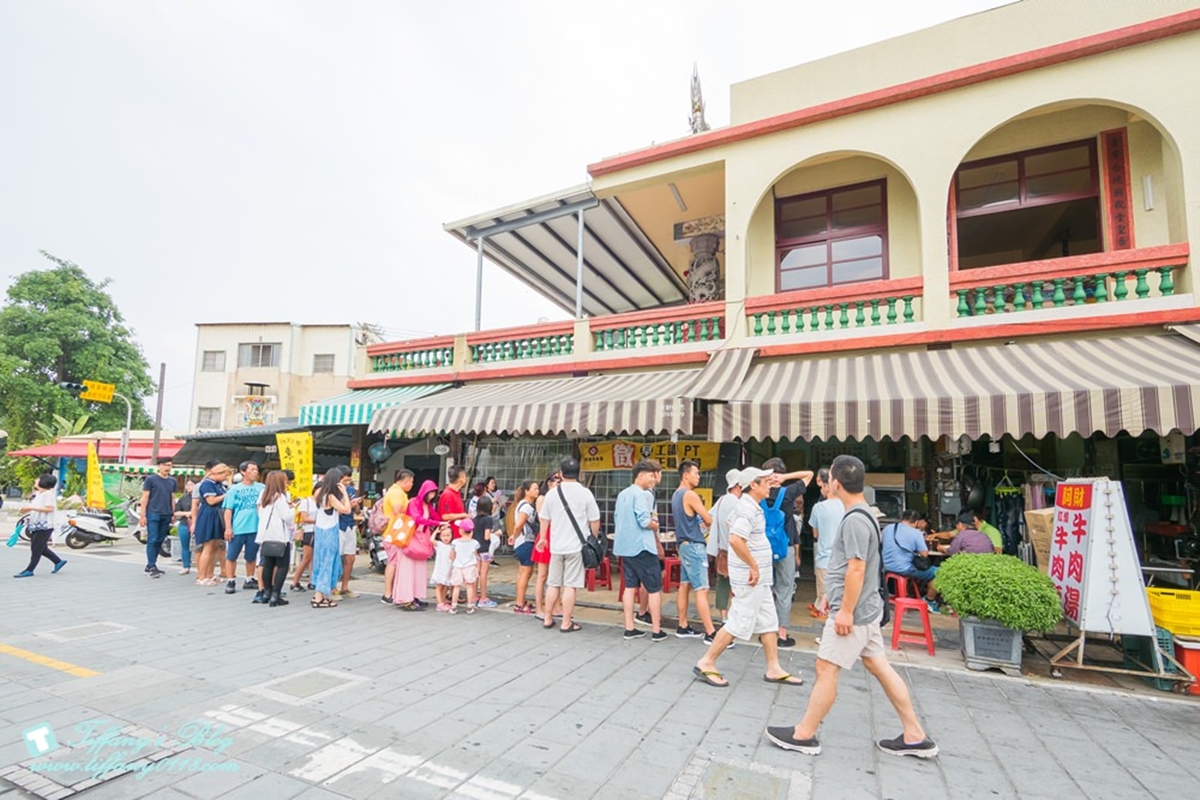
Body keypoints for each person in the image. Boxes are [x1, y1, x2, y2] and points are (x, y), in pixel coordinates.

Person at [766, 454, 938, 759]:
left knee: (825, 666)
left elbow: (856, 568)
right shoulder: (865, 512)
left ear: (835, 482)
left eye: (829, 476)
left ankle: (804, 733)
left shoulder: (856, 519)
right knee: (879, 666)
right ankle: (914, 734)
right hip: (866, 607)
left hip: (855, 612)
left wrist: (844, 610)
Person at [693, 468, 801, 688]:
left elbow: (731, 526)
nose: (770, 484)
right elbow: (735, 539)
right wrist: (752, 564)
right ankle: (707, 661)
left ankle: (774, 667)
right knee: (739, 621)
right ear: (753, 484)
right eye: (765, 481)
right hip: (750, 577)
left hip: (759, 577)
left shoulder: (751, 506)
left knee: (769, 621)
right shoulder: (746, 508)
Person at [537, 457, 598, 633]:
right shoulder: (585, 493)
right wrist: (592, 538)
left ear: (561, 474)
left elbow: (544, 518)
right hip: (577, 547)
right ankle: (566, 622)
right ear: (578, 473)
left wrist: (543, 537)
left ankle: (547, 618)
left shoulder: (552, 493)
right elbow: (595, 520)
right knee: (570, 585)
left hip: (556, 545)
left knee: (553, 583)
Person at [761, 457, 814, 649]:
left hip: (762, 548)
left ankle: (767, 631)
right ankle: (781, 634)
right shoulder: (788, 492)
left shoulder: (758, 493)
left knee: (766, 589)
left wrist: (766, 479)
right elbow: (809, 474)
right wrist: (784, 478)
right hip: (786, 547)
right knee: (784, 590)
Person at [615, 459, 668, 642]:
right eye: (651, 475)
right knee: (653, 588)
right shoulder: (641, 495)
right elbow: (644, 521)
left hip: (625, 547)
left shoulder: (623, 494)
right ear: (642, 475)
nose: (653, 479)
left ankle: (629, 628)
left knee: (630, 587)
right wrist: (655, 525)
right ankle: (656, 630)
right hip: (642, 547)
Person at [672, 459, 719, 642]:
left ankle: (682, 625)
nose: (698, 477)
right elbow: (708, 518)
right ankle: (710, 632)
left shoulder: (676, 494)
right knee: (702, 588)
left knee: (684, 585)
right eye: (696, 473)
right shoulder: (690, 495)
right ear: (686, 475)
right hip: (694, 545)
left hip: (683, 545)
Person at [707, 469, 745, 625]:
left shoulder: (721, 500)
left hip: (722, 550)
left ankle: (724, 616)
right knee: (739, 584)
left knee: (722, 582)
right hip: (736, 550)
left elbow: (708, 518)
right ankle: (738, 615)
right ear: (737, 485)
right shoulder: (738, 503)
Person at [882, 509, 940, 611]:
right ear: (916, 522)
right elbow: (924, 554)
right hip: (905, 568)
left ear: (902, 518)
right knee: (939, 572)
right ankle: (929, 601)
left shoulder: (888, 528)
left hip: (886, 566)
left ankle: (905, 594)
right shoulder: (916, 533)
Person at [221, 461, 263, 595]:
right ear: (243, 472)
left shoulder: (262, 488)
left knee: (251, 556)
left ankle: (250, 579)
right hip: (238, 527)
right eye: (252, 469)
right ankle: (230, 580)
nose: (255, 472)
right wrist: (228, 528)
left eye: (256, 469)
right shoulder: (234, 490)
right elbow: (228, 510)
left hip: (255, 527)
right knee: (232, 555)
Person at [311, 469, 351, 608]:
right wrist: (345, 494)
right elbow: (346, 510)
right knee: (328, 563)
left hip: (321, 532)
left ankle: (320, 595)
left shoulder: (320, 493)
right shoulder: (330, 496)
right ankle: (318, 597)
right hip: (329, 533)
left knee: (321, 562)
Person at [398, 479, 440, 611]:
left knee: (419, 571)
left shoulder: (427, 506)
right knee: (408, 570)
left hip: (420, 539)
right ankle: (406, 599)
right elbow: (417, 519)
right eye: (430, 493)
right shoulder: (414, 503)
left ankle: (415, 596)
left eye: (434, 493)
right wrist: (437, 524)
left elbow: (437, 517)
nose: (432, 496)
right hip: (411, 539)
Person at [14, 473, 65, 577]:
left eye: (38, 479)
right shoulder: (40, 494)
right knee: (40, 547)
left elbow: (49, 509)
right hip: (38, 524)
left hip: (45, 525)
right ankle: (58, 561)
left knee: (36, 548)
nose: (36, 480)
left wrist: (31, 508)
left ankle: (30, 569)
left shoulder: (48, 494)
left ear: (43, 482)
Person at [808, 468, 843, 619]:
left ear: (828, 487)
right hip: (842, 557)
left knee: (824, 593)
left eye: (822, 486)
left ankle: (825, 627)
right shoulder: (846, 506)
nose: (821, 489)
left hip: (824, 557)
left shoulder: (818, 507)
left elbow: (815, 533)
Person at [256, 470, 294, 607]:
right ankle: (275, 595)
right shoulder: (280, 497)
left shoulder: (264, 495)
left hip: (265, 535)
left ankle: (266, 592)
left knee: (268, 564)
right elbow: (287, 517)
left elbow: (260, 513)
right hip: (279, 535)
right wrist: (293, 508)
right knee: (282, 565)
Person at [380, 470, 414, 605]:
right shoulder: (396, 493)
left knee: (394, 562)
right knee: (393, 562)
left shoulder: (396, 491)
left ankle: (393, 592)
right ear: (405, 481)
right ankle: (388, 593)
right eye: (411, 482)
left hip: (394, 533)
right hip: (394, 533)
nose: (411, 484)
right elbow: (397, 510)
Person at [192, 462, 230, 586]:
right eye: (225, 475)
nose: (226, 478)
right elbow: (211, 500)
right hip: (209, 514)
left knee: (215, 546)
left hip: (218, 514)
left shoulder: (218, 484)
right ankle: (202, 576)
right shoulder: (207, 484)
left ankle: (210, 574)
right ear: (218, 473)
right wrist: (226, 495)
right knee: (207, 546)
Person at [139, 457, 177, 578]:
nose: (167, 467)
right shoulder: (151, 479)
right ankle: (151, 565)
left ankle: (151, 564)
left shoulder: (172, 481)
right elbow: (145, 497)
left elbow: (172, 497)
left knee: (160, 540)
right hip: (153, 512)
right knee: (153, 539)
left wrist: (173, 513)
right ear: (159, 466)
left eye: (170, 465)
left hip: (166, 513)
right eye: (165, 465)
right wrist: (142, 515)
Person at [509, 480, 540, 614]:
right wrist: (514, 536)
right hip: (525, 542)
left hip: (522, 542)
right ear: (526, 491)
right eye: (534, 489)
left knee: (523, 573)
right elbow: (519, 524)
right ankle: (520, 604)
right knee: (525, 573)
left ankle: (520, 601)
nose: (537, 491)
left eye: (537, 489)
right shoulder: (526, 506)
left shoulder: (523, 505)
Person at [533, 471, 560, 621]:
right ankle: (539, 607)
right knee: (542, 575)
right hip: (546, 535)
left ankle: (556, 607)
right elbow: (543, 518)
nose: (559, 483)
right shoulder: (542, 498)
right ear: (549, 483)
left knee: (555, 575)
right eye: (556, 481)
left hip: (556, 535)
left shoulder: (558, 497)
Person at [334, 466, 362, 598]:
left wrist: (356, 504)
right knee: (336, 558)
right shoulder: (333, 491)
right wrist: (349, 505)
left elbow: (356, 511)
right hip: (338, 526)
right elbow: (336, 512)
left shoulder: (351, 490)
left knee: (350, 557)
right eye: (345, 480)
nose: (347, 483)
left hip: (350, 525)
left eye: (349, 480)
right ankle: (333, 587)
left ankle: (345, 587)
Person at [289, 485, 318, 593]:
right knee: (306, 558)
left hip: (318, 531)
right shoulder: (307, 501)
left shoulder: (322, 502)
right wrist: (318, 520)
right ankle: (295, 582)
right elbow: (304, 518)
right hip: (309, 531)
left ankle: (312, 581)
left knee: (314, 559)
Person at [448, 518, 480, 613]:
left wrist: (455, 561)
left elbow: (451, 555)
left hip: (458, 566)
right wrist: (477, 568)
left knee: (456, 586)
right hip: (470, 566)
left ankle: (453, 607)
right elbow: (476, 556)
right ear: (471, 532)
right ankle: (470, 607)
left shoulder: (455, 542)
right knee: (470, 586)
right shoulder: (475, 543)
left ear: (461, 530)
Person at [472, 495, 498, 608]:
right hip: (485, 550)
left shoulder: (474, 519)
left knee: (476, 573)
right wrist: (496, 534)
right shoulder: (488, 519)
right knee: (483, 574)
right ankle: (483, 598)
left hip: (476, 549)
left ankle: (473, 597)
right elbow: (487, 537)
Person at [439, 465, 470, 537]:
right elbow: (445, 516)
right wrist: (464, 515)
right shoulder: (448, 494)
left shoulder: (456, 493)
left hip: (458, 534)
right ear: (461, 479)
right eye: (465, 476)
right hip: (451, 536)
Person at [174, 480, 195, 576]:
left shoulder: (201, 498)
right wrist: (187, 513)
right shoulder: (183, 498)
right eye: (187, 485)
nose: (189, 487)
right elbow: (176, 512)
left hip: (197, 524)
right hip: (184, 523)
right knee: (185, 546)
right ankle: (186, 566)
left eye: (191, 485)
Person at [431, 524, 455, 611]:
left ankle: (443, 601)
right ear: (440, 536)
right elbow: (431, 540)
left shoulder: (452, 545)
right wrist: (436, 531)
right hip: (440, 569)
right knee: (439, 586)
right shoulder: (439, 544)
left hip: (448, 570)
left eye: (448, 535)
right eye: (443, 535)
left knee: (445, 586)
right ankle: (439, 603)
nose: (446, 537)